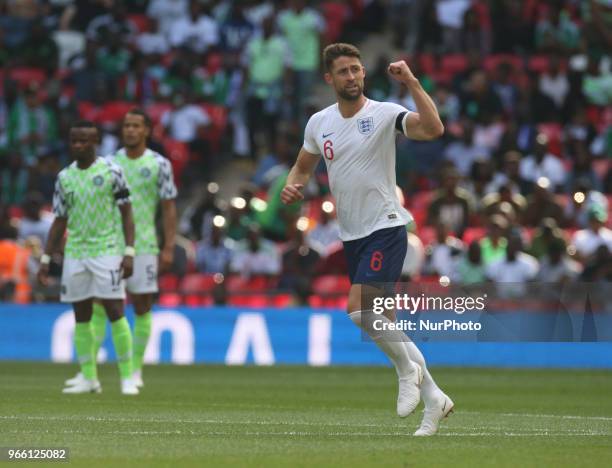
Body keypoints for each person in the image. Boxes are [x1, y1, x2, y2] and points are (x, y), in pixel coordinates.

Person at [280, 43, 452, 436]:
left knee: (359, 309)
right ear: (330, 78)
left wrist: (411, 82)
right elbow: (303, 166)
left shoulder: (384, 113)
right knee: (383, 322)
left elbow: (433, 129)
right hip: (352, 234)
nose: (353, 77)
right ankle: (434, 399)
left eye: (357, 69)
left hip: (386, 225)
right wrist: (294, 185)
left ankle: (408, 372)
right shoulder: (319, 123)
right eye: (344, 72)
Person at [66, 110, 178, 389]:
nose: (130, 130)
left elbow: (168, 208)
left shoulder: (159, 164)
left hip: (146, 244)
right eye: (126, 125)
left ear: (147, 131)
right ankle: (89, 372)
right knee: (100, 305)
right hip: (109, 245)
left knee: (141, 306)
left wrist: (169, 246)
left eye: (136, 126)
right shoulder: (110, 163)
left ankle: (135, 370)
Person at [37, 121, 138, 395]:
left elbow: (127, 213)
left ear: (95, 142)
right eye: (74, 141)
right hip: (76, 254)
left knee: (116, 312)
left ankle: (128, 377)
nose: (78, 146)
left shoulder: (111, 171)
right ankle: (89, 377)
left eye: (84, 141)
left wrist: (129, 251)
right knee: (81, 316)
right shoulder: (64, 177)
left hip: (107, 250)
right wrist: (46, 258)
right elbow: (59, 220)